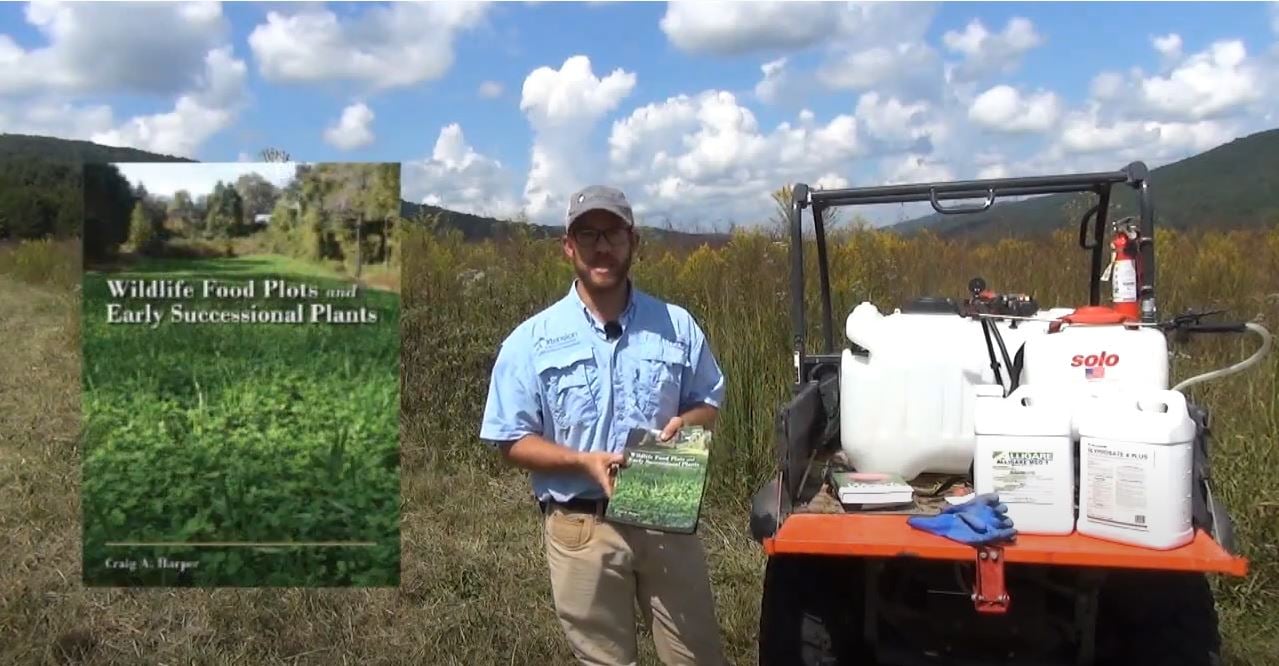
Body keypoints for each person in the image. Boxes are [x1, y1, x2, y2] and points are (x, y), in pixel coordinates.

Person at [479, 184, 728, 666]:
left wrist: (688, 422)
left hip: (664, 515)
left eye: (612, 233)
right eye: (588, 234)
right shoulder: (532, 340)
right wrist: (583, 462)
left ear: (633, 241)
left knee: (697, 657)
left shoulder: (677, 325)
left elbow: (707, 401)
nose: (601, 246)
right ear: (568, 246)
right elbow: (511, 440)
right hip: (581, 526)